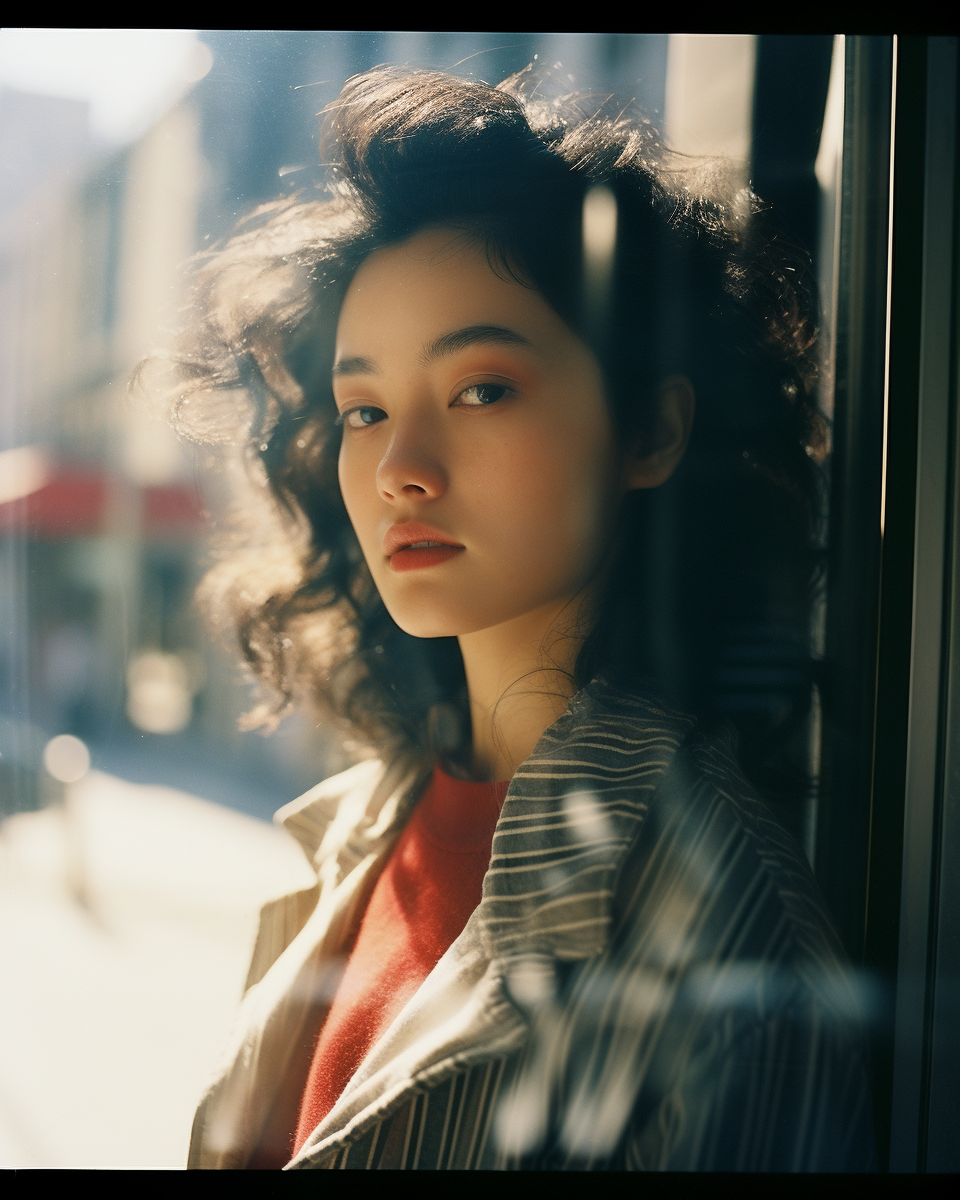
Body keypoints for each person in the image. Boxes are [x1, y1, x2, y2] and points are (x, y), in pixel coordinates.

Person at [172, 65, 875, 1170]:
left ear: (650, 432)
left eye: (481, 389)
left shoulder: (715, 916)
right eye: (364, 408)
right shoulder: (360, 825)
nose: (400, 466)